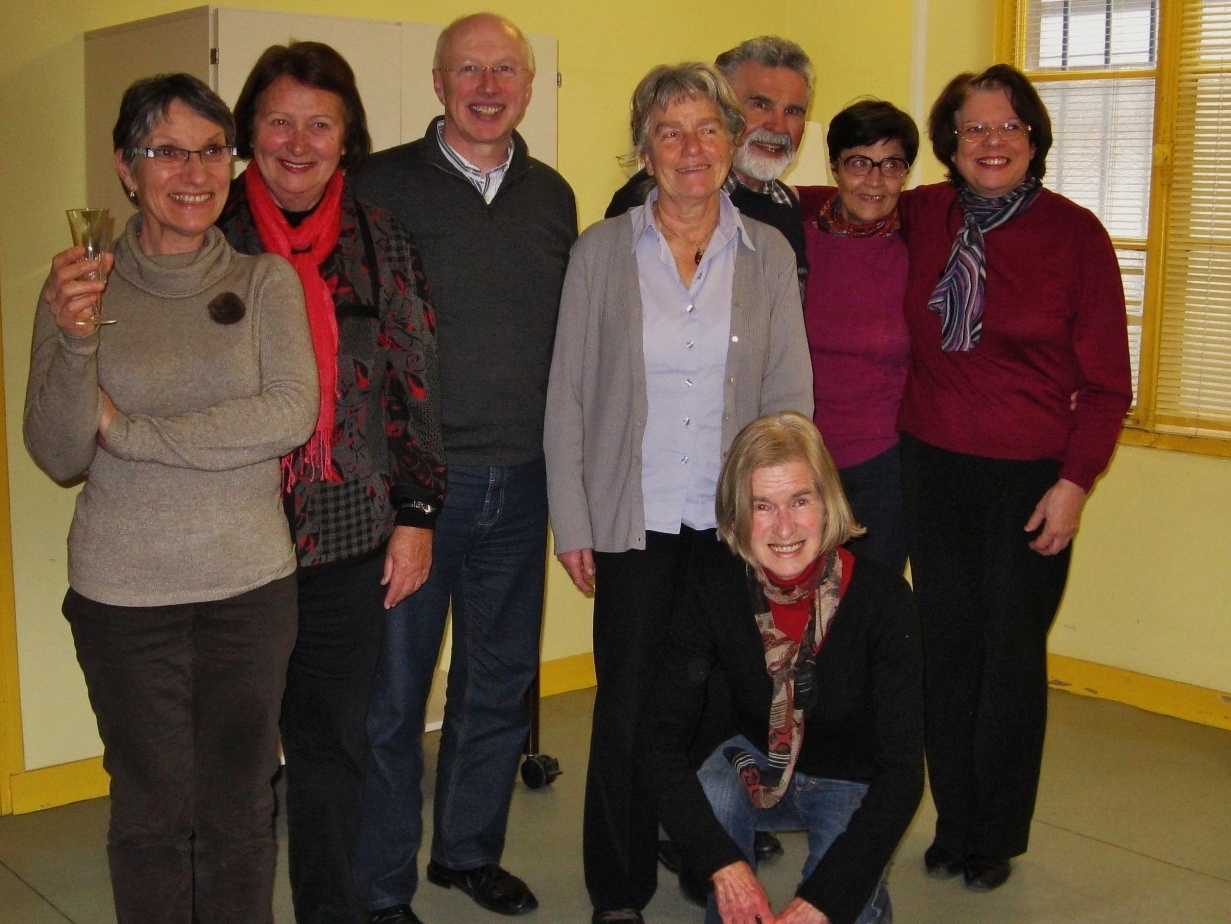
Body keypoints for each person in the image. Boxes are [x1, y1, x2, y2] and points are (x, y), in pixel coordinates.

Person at [23, 73, 318, 923]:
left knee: (240, 810)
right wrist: (77, 344)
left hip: (248, 590)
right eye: (168, 152)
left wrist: (134, 431)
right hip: (125, 596)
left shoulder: (267, 284)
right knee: (151, 813)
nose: (194, 173)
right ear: (126, 167)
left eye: (212, 151)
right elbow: (54, 450)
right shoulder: (79, 287)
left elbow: (287, 415)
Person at [545, 62, 814, 924]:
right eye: (670, 131)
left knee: (720, 712)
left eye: (707, 129)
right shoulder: (600, 249)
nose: (690, 149)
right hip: (636, 525)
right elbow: (569, 397)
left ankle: (712, 872)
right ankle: (617, 894)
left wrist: (779, 521)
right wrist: (574, 520)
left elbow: (788, 399)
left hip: (731, 528)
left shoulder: (767, 253)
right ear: (643, 149)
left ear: (733, 144)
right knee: (626, 716)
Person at [348, 13, 578, 924]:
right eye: (468, 70)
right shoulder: (378, 186)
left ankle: (468, 854)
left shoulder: (553, 197)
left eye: (505, 70)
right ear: (439, 83)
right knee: (392, 706)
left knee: (498, 685)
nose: (488, 86)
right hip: (412, 493)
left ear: (526, 84)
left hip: (523, 485)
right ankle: (377, 888)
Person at [216, 41, 446, 924]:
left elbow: (416, 379)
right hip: (228, 542)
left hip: (349, 535)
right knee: (232, 762)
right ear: (249, 133)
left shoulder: (381, 239)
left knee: (331, 752)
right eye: (279, 120)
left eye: (320, 123)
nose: (298, 141)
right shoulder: (211, 236)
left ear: (347, 136)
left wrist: (418, 514)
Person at [897, 64, 1133, 891]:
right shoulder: (919, 213)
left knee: (1008, 660)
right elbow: (837, 199)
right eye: (972, 130)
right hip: (931, 467)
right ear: (948, 145)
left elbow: (1107, 385)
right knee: (945, 656)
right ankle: (953, 819)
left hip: (1031, 480)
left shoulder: (1074, 234)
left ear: (1033, 139)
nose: (991, 142)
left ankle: (993, 833)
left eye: (1008, 128)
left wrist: (1073, 484)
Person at [645, 412, 923, 924]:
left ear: (828, 502)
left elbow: (903, 775)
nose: (785, 527)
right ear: (735, 519)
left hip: (851, 779)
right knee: (710, 793)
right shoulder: (714, 589)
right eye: (762, 507)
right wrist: (722, 864)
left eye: (800, 500)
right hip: (754, 759)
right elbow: (657, 738)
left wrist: (826, 897)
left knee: (845, 905)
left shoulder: (883, 600)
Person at [794, 100, 919, 573]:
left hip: (883, 468)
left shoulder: (919, 248)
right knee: (791, 606)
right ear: (834, 167)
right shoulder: (794, 238)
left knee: (868, 608)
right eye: (859, 162)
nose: (874, 180)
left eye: (891, 165)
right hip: (799, 460)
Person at [606, 36, 814, 289]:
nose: (778, 126)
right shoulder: (646, 199)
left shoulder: (785, 204)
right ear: (724, 110)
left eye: (793, 111)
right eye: (760, 105)